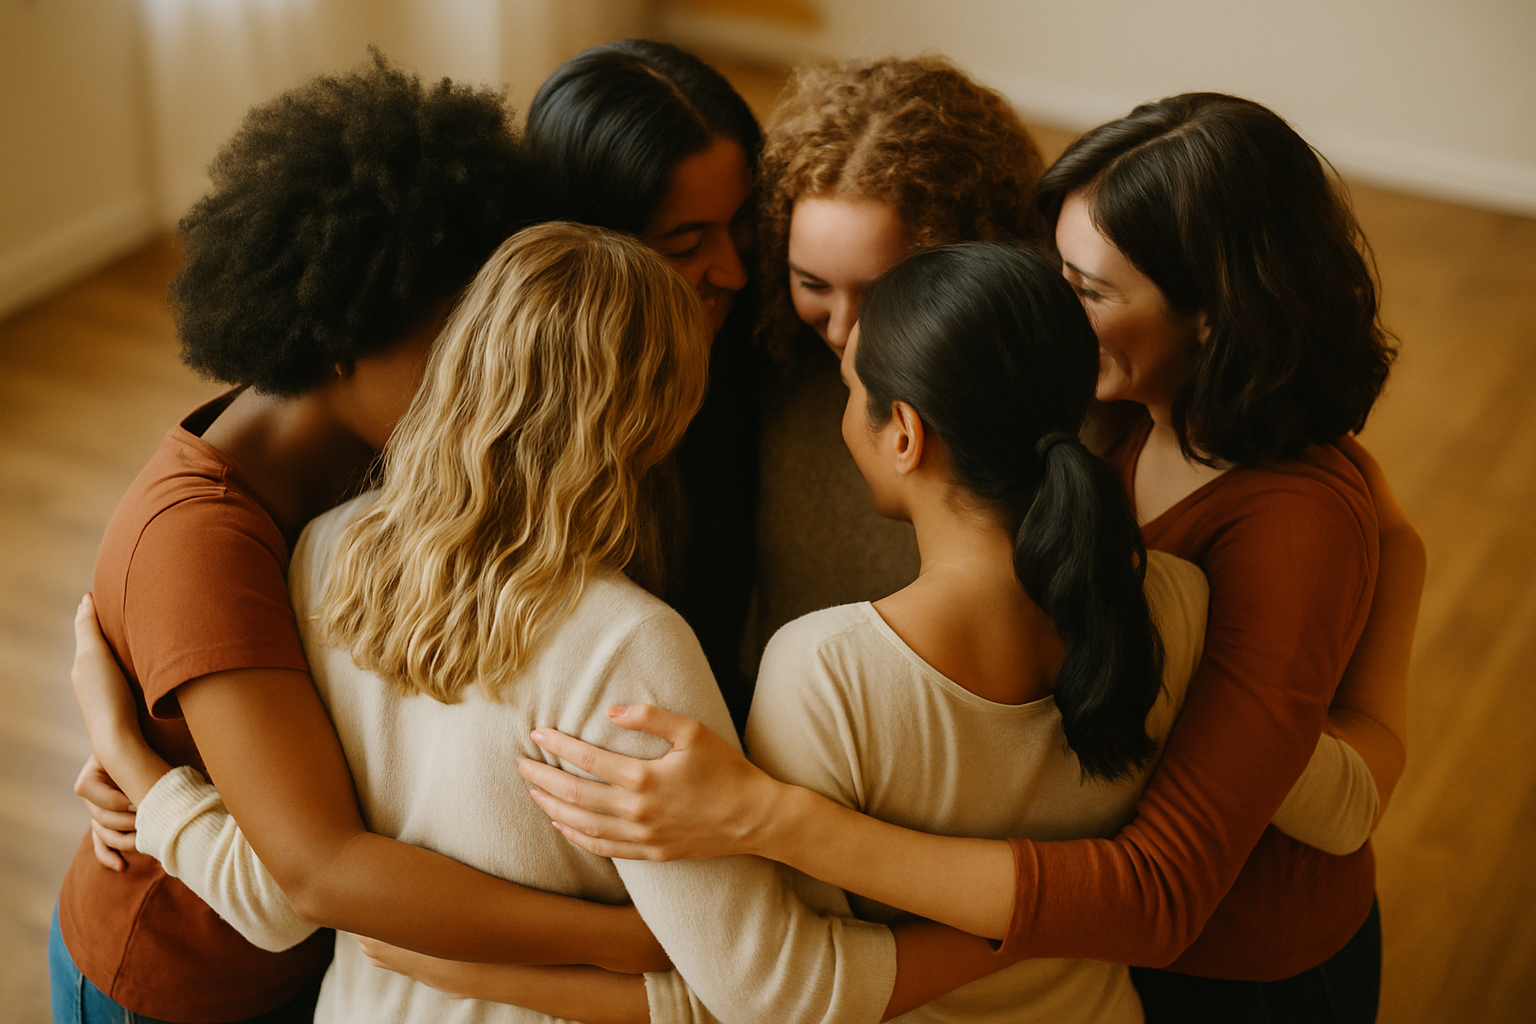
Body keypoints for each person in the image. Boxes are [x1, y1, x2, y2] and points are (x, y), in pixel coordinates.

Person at [516, 93, 1423, 1024]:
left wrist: (773, 818)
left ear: (1211, 315)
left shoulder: (1259, 540)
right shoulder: (1117, 432)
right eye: (1055, 274)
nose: (1050, 310)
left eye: (1090, 290)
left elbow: (1174, 883)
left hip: (1241, 975)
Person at [72, 222, 1047, 1024]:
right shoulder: (630, 647)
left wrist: (133, 759)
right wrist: (1016, 926)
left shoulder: (325, 552)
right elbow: (747, 988)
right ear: (660, 419)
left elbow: (276, 885)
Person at [52, 56, 671, 1024]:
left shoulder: (370, 460)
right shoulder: (203, 543)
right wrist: (630, 937)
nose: (487, 374)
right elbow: (318, 873)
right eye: (458, 341)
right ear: (343, 327)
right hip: (181, 979)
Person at [747, 55, 1046, 654]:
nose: (842, 329)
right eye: (812, 284)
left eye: (882, 294)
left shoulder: (1035, 412)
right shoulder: (764, 369)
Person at [523, 39, 763, 727]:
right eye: (686, 246)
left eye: (741, 225)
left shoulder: (762, 337)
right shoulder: (531, 412)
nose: (733, 272)